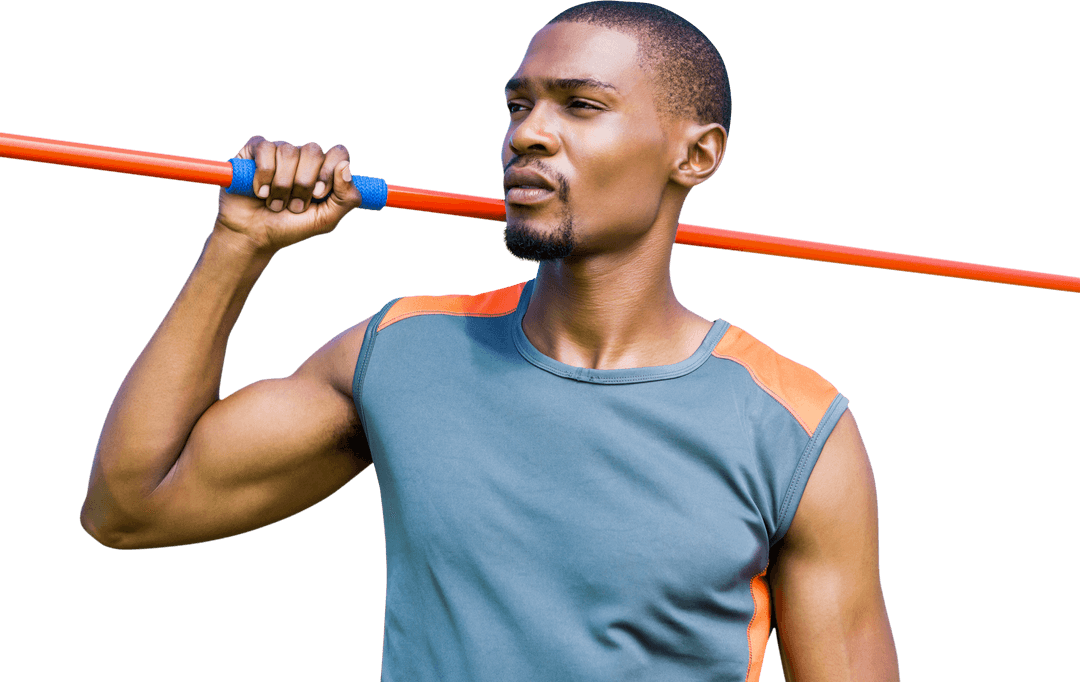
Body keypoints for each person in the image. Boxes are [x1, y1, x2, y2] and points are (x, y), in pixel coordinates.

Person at [80, 2, 900, 680]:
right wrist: (239, 246)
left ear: (696, 154)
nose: (528, 135)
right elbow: (132, 506)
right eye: (518, 106)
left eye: (580, 105)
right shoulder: (401, 353)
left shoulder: (794, 425)